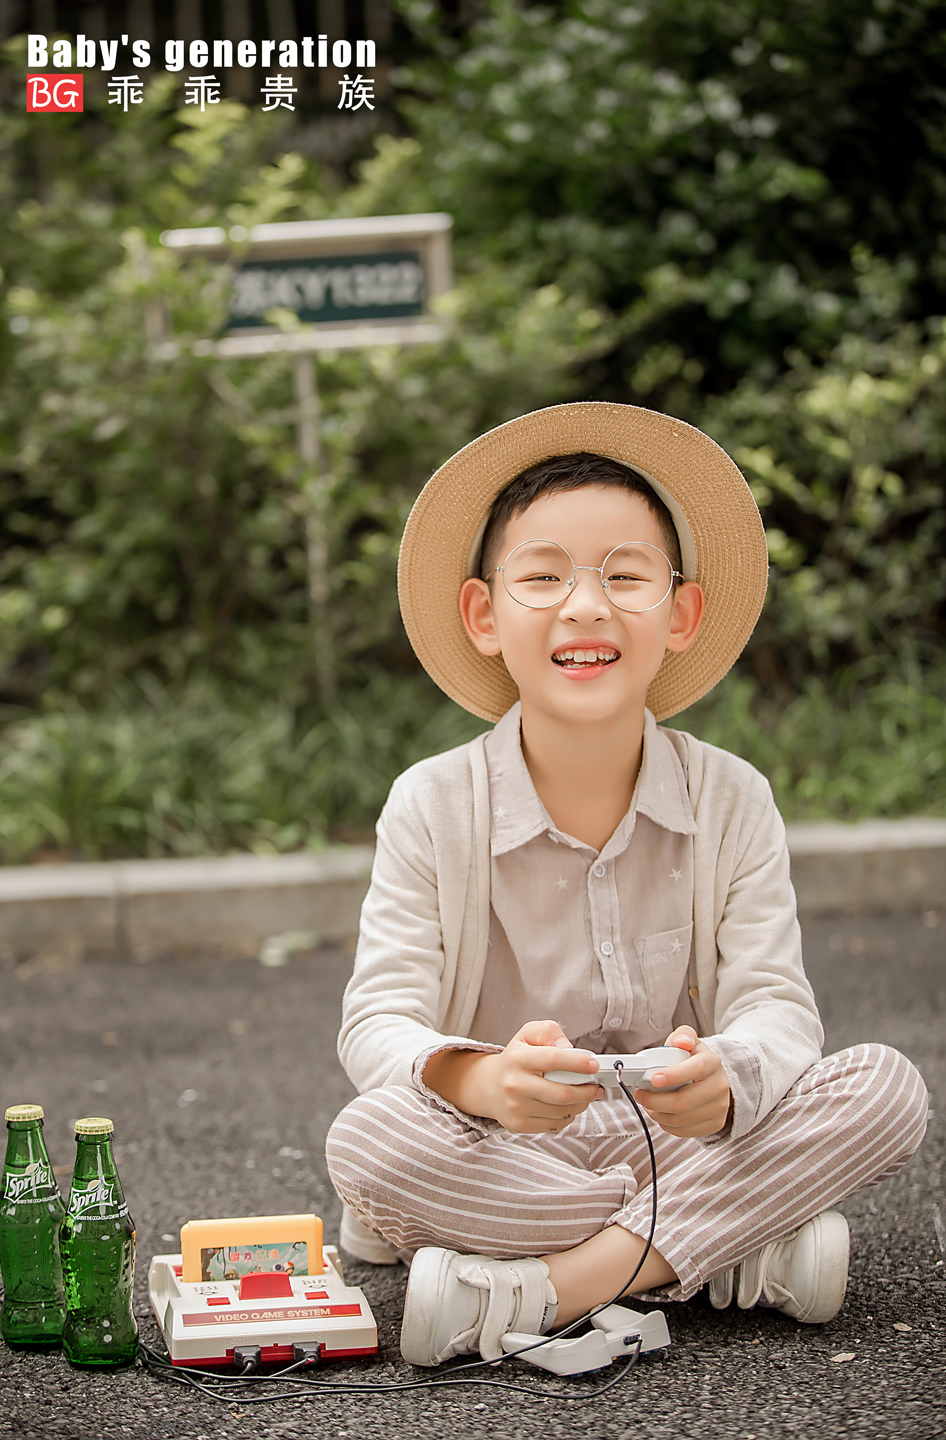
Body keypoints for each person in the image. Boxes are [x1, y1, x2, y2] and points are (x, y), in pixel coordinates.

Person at [325, 402, 928, 1367]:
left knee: (888, 1089)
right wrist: (483, 1077)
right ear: (484, 614)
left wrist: (730, 1085)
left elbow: (776, 1008)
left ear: (680, 614)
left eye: (625, 575)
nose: (586, 604)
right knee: (369, 1142)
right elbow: (378, 1023)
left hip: (687, 1137)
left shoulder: (730, 796)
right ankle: (734, 1248)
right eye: (544, 576)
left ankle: (552, 1281)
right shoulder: (432, 802)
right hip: (510, 1149)